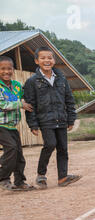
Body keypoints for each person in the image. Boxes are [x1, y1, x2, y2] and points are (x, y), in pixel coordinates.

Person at [23, 47, 81, 188]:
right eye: (43, 58)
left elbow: (69, 99)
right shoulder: (32, 81)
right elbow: (30, 105)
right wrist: (33, 125)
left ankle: (63, 177)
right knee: (50, 144)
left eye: (49, 58)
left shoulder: (61, 78)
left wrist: (71, 118)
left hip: (61, 118)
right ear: (37, 61)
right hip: (45, 120)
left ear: (54, 60)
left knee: (63, 148)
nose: (47, 60)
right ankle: (41, 175)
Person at [0, 56, 35, 191]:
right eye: (2, 69)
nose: (6, 71)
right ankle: (2, 177)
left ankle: (19, 182)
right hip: (1, 125)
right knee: (12, 149)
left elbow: (25, 98)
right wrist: (20, 104)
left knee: (19, 155)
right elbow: (2, 104)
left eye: (9, 69)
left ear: (13, 70)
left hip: (12, 126)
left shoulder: (16, 86)